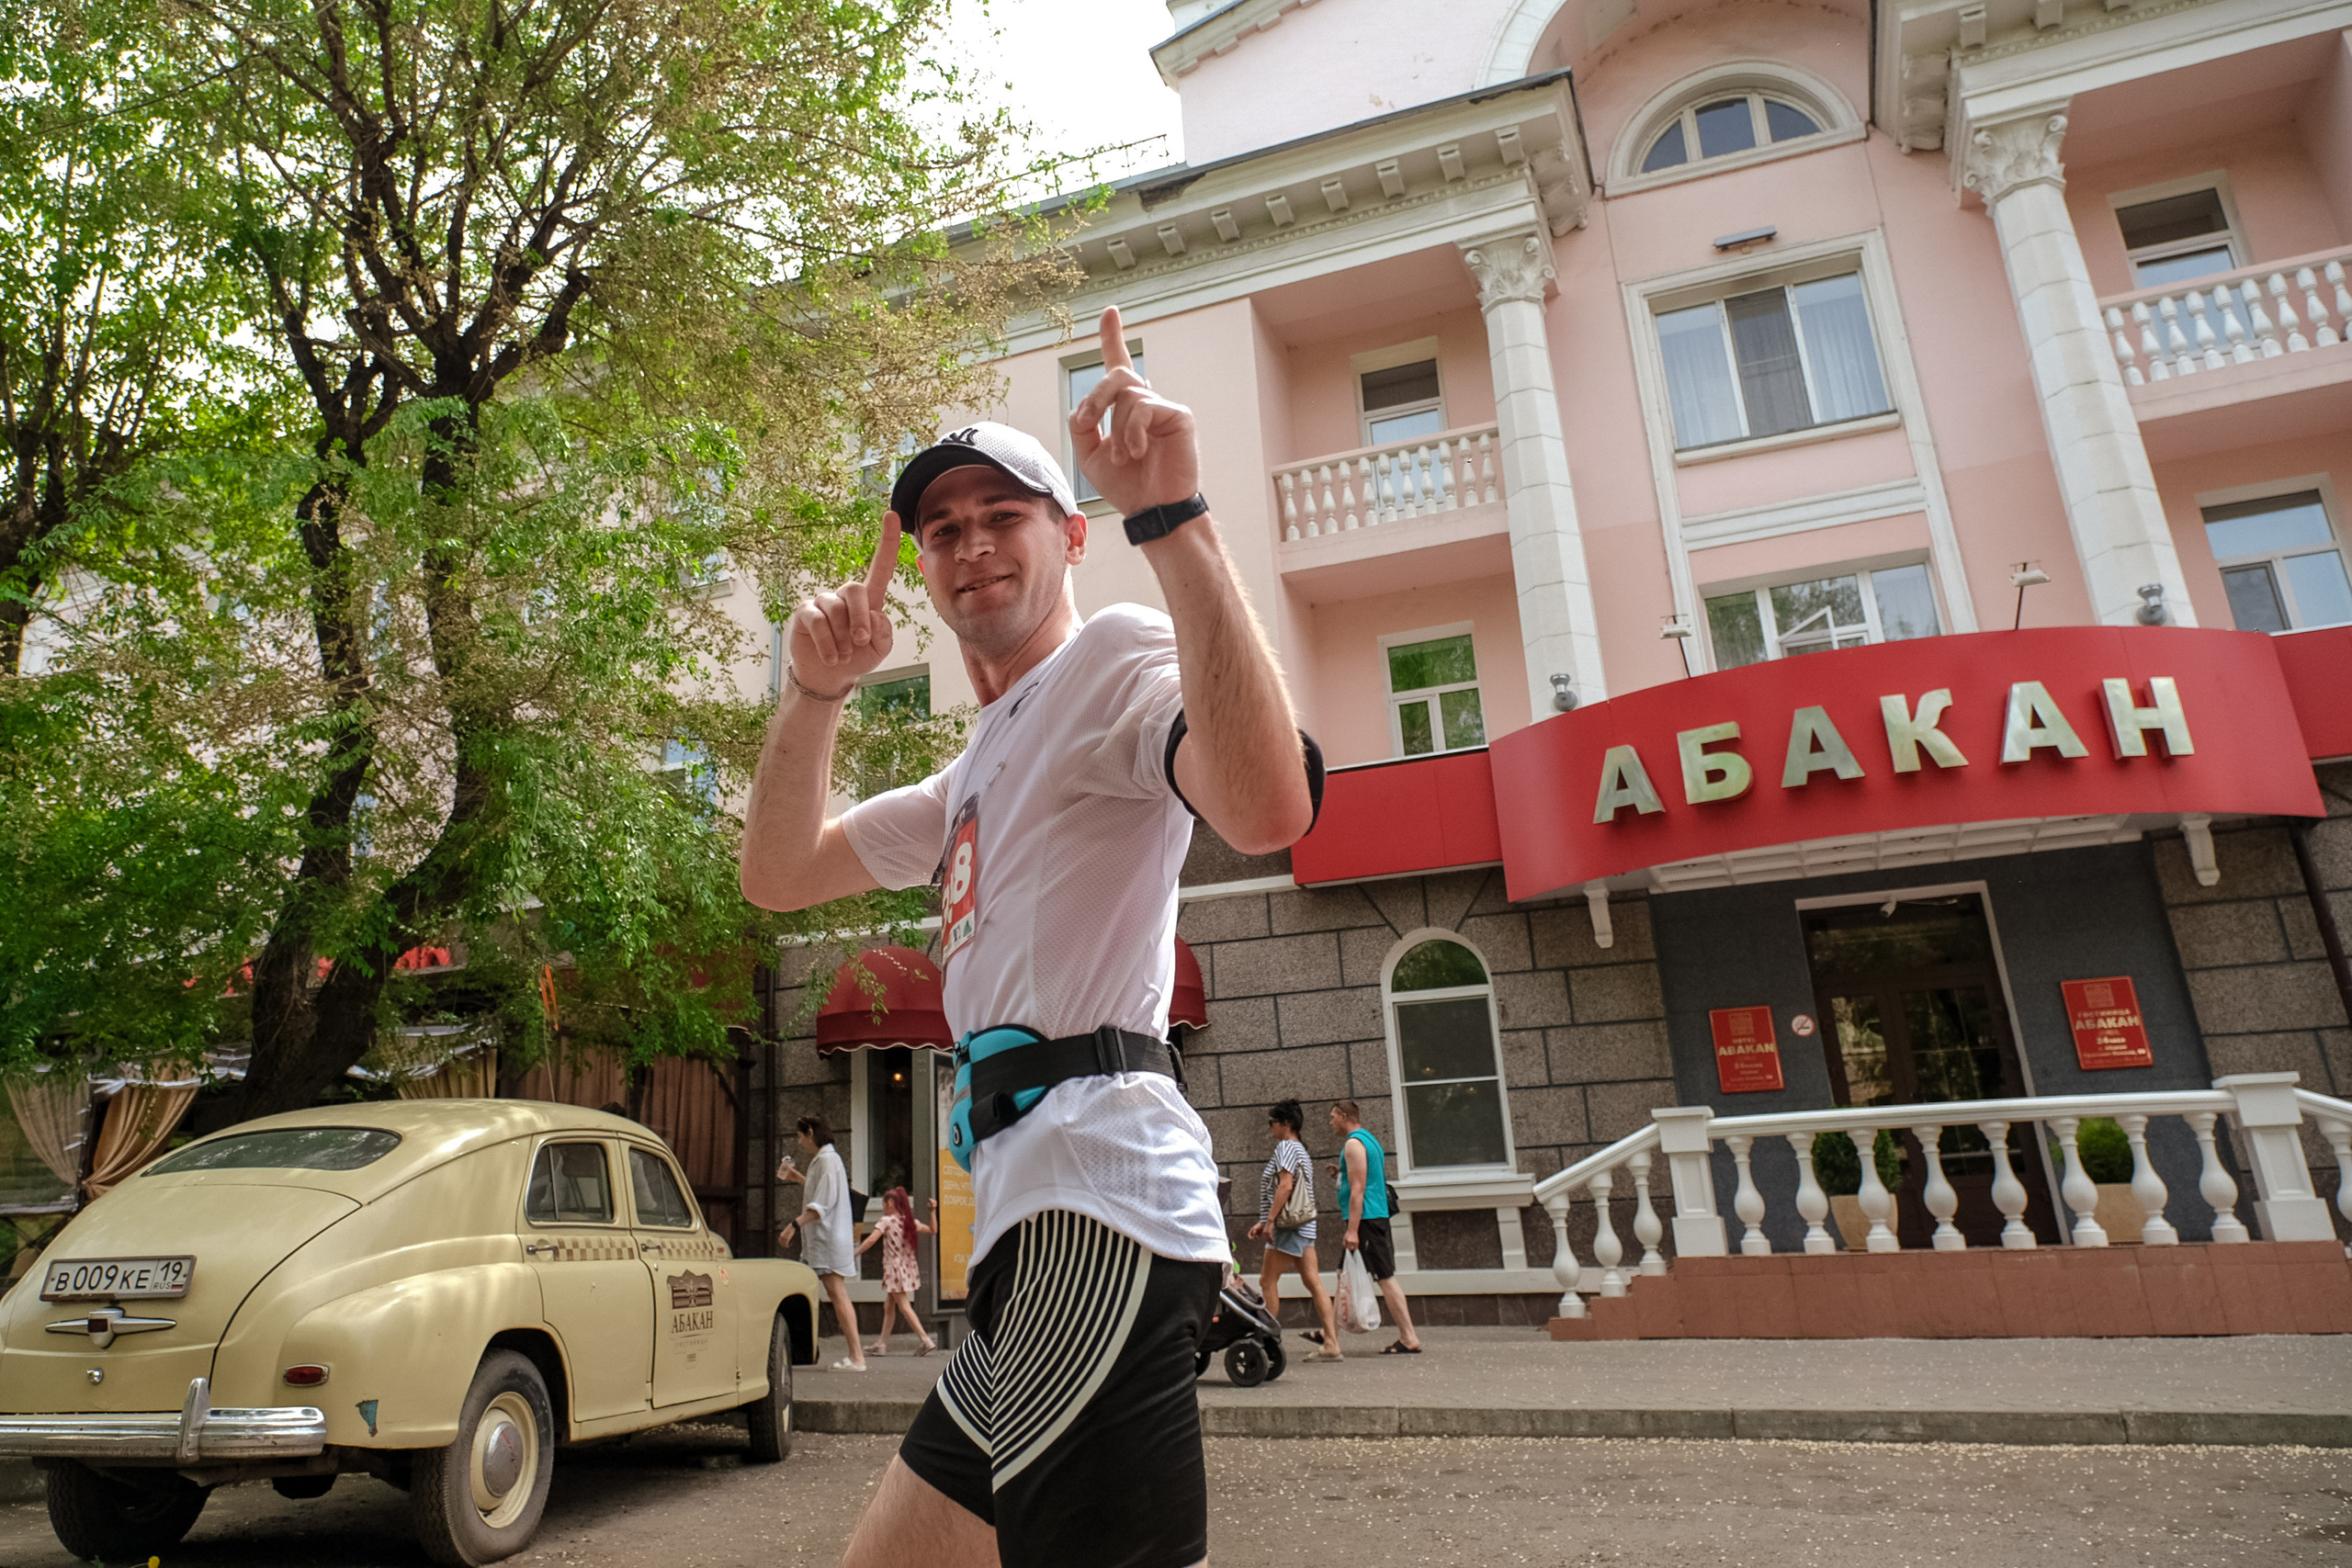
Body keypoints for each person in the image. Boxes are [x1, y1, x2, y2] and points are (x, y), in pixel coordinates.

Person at [739, 306, 1319, 1568]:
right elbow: (778, 871)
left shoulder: (1109, 658)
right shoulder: (967, 775)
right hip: (1030, 1226)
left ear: (1069, 536)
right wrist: (815, 688)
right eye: (942, 528)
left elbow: (1270, 805)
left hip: (1096, 1202)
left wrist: (1175, 515)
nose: (968, 546)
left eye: (1003, 517)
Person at [1244, 1099, 1341, 1361]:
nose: (1270, 1128)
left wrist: (1271, 1222)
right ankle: (1331, 1343)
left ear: (1286, 1124)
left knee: (1267, 1281)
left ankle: (1265, 1338)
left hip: (1289, 1228)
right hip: (1303, 1226)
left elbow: (1285, 1187)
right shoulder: (1299, 1149)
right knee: (1313, 1281)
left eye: (1272, 1122)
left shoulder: (1286, 1147)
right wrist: (1265, 1220)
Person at [1327, 1100, 1422, 1355]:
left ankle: (1409, 1335)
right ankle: (1330, 1339)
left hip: (1365, 1220)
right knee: (1342, 1274)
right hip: (1371, 1216)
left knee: (1385, 1277)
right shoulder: (1370, 1141)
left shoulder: (1353, 1144)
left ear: (1345, 1116)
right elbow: (1364, 1179)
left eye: (1333, 1117)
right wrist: (1341, 1175)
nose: (1330, 1122)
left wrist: (1352, 1230)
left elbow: (1358, 1191)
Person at [775, 1114, 867, 1372]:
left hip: (827, 1240)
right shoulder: (828, 1160)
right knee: (834, 1293)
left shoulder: (827, 1160)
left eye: (800, 1136)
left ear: (810, 1133)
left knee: (837, 1294)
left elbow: (822, 1205)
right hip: (826, 1240)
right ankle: (847, 1354)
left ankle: (857, 1356)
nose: (800, 1142)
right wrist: (801, 1179)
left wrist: (793, 1225)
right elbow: (825, 1191)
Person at [854, 1186, 939, 1356]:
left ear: (891, 1202)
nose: (884, 1206)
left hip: (894, 1268)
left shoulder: (885, 1221)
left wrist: (855, 1253)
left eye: (885, 1202)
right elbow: (932, 1230)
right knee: (889, 1305)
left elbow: (871, 1239)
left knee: (904, 1306)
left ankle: (925, 1340)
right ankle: (881, 1344)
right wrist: (932, 1211)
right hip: (908, 1268)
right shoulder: (909, 1222)